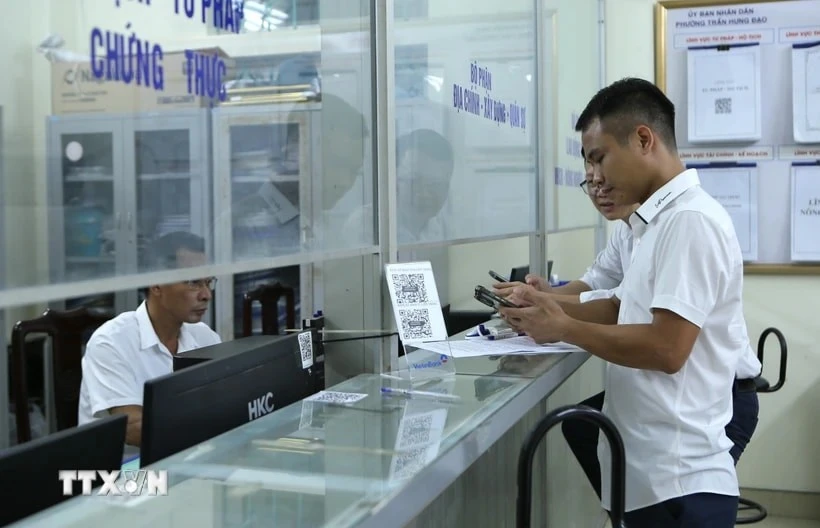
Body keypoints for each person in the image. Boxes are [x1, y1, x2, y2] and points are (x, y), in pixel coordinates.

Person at [499, 77, 749, 527]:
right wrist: (545, 306)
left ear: (643, 139)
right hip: (652, 473)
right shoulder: (654, 223)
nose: (594, 176)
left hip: (679, 480)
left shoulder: (689, 221)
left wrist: (564, 327)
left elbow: (666, 349)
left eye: (599, 158)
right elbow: (620, 307)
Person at [495, 153, 761, 477]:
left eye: (604, 179)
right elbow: (601, 289)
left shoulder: (684, 223)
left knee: (672, 484)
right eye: (590, 183)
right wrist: (543, 298)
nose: (599, 191)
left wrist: (561, 323)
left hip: (718, 394)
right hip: (676, 393)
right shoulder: (629, 231)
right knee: (587, 432)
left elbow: (658, 341)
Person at [77, 232, 221, 451]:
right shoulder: (110, 342)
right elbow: (133, 429)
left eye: (208, 282)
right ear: (156, 284)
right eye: (193, 283)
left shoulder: (205, 337)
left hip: (185, 455)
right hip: (126, 468)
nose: (206, 295)